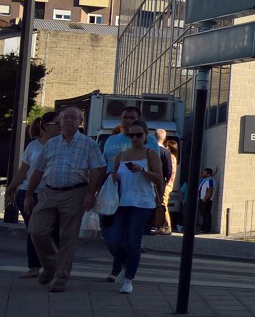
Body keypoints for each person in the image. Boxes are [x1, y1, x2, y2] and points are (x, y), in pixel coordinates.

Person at [23, 106, 108, 292]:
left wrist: (90, 193)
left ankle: (61, 276)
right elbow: (38, 169)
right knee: (36, 230)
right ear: (60, 121)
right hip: (49, 191)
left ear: (80, 122)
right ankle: (51, 264)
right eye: (65, 117)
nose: (69, 121)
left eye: (73, 118)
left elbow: (98, 169)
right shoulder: (52, 144)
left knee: (67, 236)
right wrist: (29, 193)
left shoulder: (88, 144)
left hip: (75, 191)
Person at [104, 119, 164, 294]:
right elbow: (114, 175)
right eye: (132, 135)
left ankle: (129, 278)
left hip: (143, 203)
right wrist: (114, 177)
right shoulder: (121, 155)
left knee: (134, 240)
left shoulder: (151, 154)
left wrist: (143, 171)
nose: (135, 138)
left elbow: (159, 178)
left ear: (145, 135)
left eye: (139, 135)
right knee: (113, 239)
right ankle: (125, 264)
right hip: (122, 202)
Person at [5, 112, 61, 279]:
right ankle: (34, 267)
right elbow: (23, 170)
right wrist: (11, 188)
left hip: (51, 193)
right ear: (45, 126)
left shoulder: (61, 144)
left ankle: (53, 266)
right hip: (29, 193)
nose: (60, 126)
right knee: (33, 230)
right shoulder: (33, 146)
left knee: (52, 230)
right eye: (56, 123)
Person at [197, 167, 216, 233]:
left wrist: (205, 198)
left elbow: (210, 189)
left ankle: (207, 229)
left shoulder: (210, 180)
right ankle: (203, 227)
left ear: (208, 174)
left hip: (206, 200)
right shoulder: (205, 180)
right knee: (203, 214)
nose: (203, 173)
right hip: (201, 200)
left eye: (204, 172)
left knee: (206, 214)